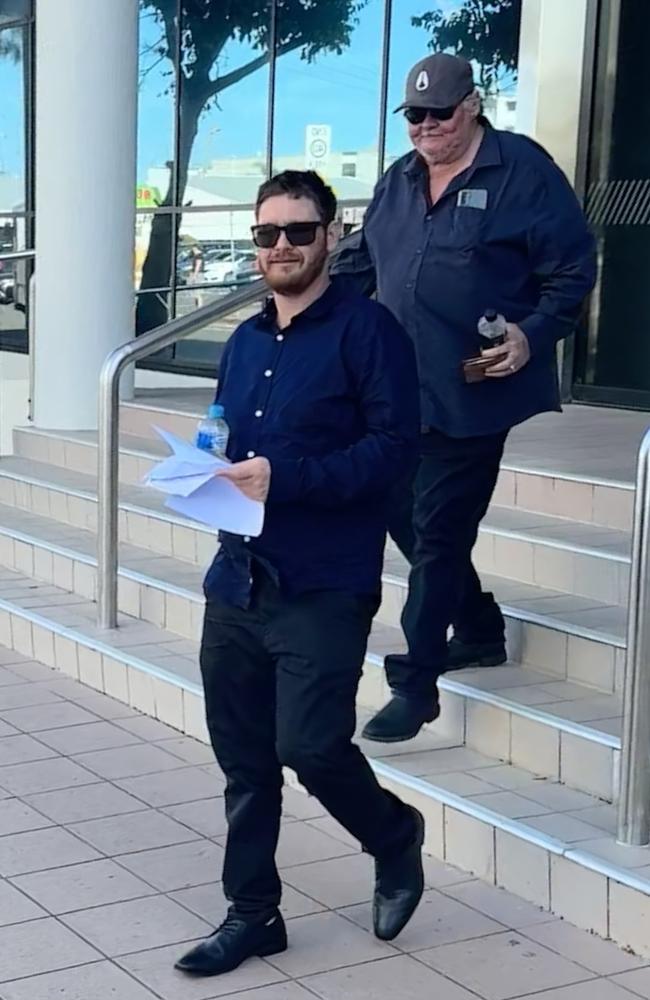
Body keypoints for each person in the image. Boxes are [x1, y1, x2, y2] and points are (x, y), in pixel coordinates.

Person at [175, 170, 425, 979]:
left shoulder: (370, 332)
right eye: (266, 234)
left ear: (331, 234)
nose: (280, 247)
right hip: (238, 579)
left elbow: (395, 453)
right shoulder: (245, 342)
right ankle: (253, 913)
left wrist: (288, 478)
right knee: (245, 762)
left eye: (298, 231)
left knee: (311, 747)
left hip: (323, 581)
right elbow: (227, 436)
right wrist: (201, 470)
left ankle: (393, 836)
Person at [332, 53, 597, 743]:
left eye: (438, 114)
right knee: (403, 516)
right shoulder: (399, 181)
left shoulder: (522, 171)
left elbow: (572, 268)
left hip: (477, 385)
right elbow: (360, 266)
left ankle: (416, 684)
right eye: (413, 115)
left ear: (473, 105)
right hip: (394, 391)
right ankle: (477, 626)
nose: (424, 127)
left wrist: (534, 335)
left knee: (440, 534)